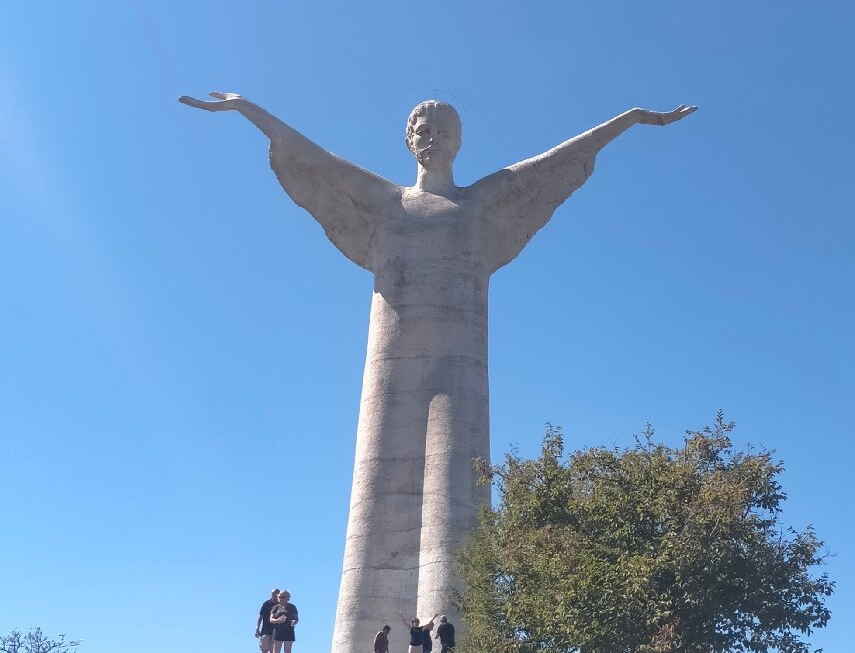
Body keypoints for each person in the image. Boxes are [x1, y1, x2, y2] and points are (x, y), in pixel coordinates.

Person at [178, 93, 697, 651]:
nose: (432, 138)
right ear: (408, 139)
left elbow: (555, 162)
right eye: (422, 129)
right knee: (373, 500)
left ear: (458, 142)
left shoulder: (482, 206)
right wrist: (246, 108)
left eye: (443, 130)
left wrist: (633, 119)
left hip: (460, 374)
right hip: (387, 372)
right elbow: (314, 158)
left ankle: (452, 639)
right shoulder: (384, 204)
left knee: (458, 501)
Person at [255, 588, 281, 653]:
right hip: (265, 630)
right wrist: (257, 628)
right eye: (273, 593)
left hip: (276, 631)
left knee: (274, 650)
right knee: (264, 649)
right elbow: (260, 617)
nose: (275, 595)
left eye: (276, 594)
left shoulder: (281, 605)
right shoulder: (266, 604)